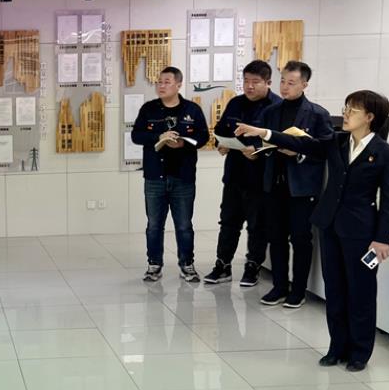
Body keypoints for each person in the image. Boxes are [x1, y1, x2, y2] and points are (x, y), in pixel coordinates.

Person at [235, 90, 389, 372]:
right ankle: (337, 347)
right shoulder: (336, 142)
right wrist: (264, 132)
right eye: (346, 107)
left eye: (353, 110)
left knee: (360, 291)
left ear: (370, 117)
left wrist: (382, 238)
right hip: (329, 224)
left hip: (361, 231)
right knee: (334, 289)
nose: (345, 114)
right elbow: (301, 143)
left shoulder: (385, 153)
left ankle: (360, 352)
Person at [257, 61, 332, 308]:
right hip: (274, 184)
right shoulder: (271, 111)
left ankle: (298, 290)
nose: (285, 87)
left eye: (291, 83)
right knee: (276, 238)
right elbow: (261, 140)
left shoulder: (318, 114)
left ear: (304, 85)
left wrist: (299, 152)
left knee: (300, 239)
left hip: (301, 188)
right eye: (282, 81)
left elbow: (324, 150)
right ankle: (279, 286)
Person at [203, 60, 281, 287]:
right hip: (234, 174)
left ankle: (253, 266)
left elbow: (280, 140)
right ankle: (223, 265)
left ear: (268, 82)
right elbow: (220, 130)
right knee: (228, 221)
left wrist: (257, 150)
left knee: (257, 225)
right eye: (246, 81)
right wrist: (221, 144)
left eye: (255, 82)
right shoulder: (236, 103)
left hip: (260, 178)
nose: (249, 86)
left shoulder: (276, 107)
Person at [131, 67, 210, 283]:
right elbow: (136, 135)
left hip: (183, 176)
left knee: (184, 225)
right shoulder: (149, 109)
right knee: (154, 225)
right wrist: (159, 136)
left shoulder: (192, 110)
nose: (161, 85)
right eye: (159, 82)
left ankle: (187, 264)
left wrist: (183, 143)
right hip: (155, 176)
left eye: (166, 82)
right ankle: (154, 265)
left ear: (178, 84)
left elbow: (203, 136)